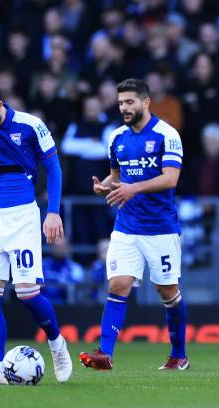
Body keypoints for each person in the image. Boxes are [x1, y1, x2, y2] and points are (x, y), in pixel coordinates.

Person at [0, 82, 72, 384]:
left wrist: (53, 212)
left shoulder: (31, 125)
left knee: (27, 293)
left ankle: (57, 343)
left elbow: (54, 169)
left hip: (22, 217)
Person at [78, 78, 188, 371]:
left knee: (167, 291)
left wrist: (132, 188)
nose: (124, 108)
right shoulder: (116, 138)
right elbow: (117, 177)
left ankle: (179, 354)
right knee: (118, 284)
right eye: (121, 103)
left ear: (146, 102)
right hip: (127, 226)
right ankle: (105, 354)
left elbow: (170, 178)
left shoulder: (167, 135)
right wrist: (104, 186)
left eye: (130, 102)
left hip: (161, 227)